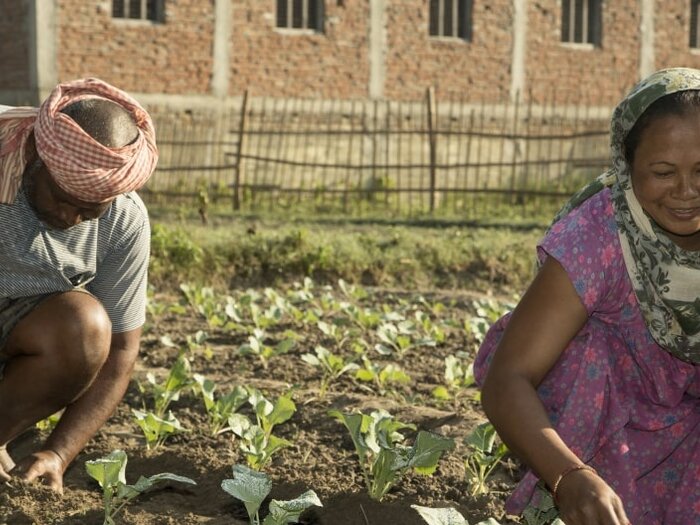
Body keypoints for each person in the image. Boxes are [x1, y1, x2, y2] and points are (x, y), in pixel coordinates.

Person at [475, 67, 700, 525]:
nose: (686, 191)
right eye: (661, 172)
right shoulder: (598, 236)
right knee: (587, 349)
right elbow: (509, 378)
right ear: (626, 164)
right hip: (601, 425)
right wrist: (569, 476)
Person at [0, 78, 158, 493]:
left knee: (84, 327)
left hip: (16, 329)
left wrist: (57, 453)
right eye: (63, 198)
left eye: (90, 210)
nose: (71, 218)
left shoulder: (124, 220)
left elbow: (121, 353)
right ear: (37, 156)